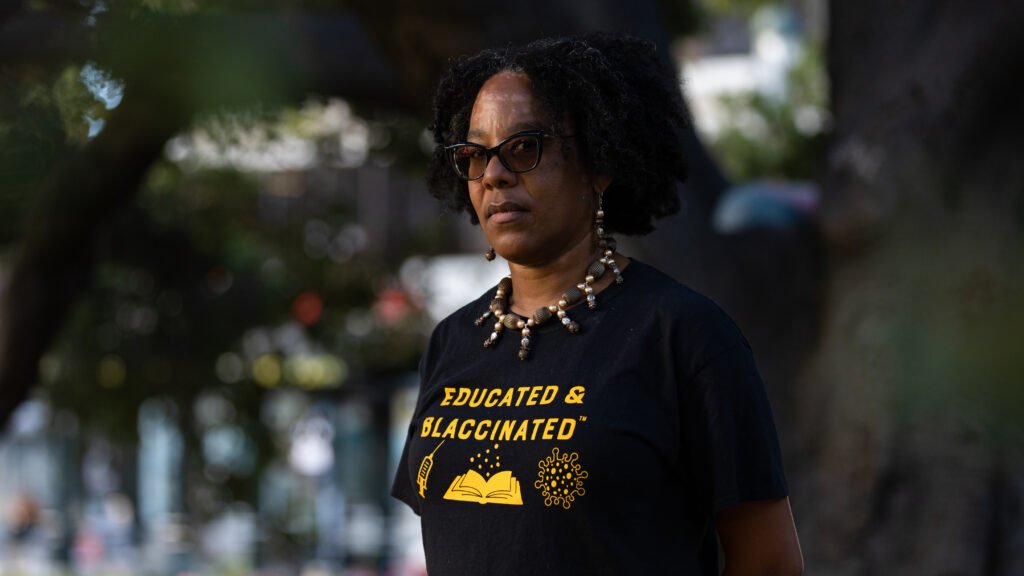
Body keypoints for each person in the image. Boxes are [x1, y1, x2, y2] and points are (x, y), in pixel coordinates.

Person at [391, 32, 803, 575]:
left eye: (523, 147)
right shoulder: (452, 341)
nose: (494, 174)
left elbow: (769, 562)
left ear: (598, 163)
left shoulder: (685, 335)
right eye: (474, 155)